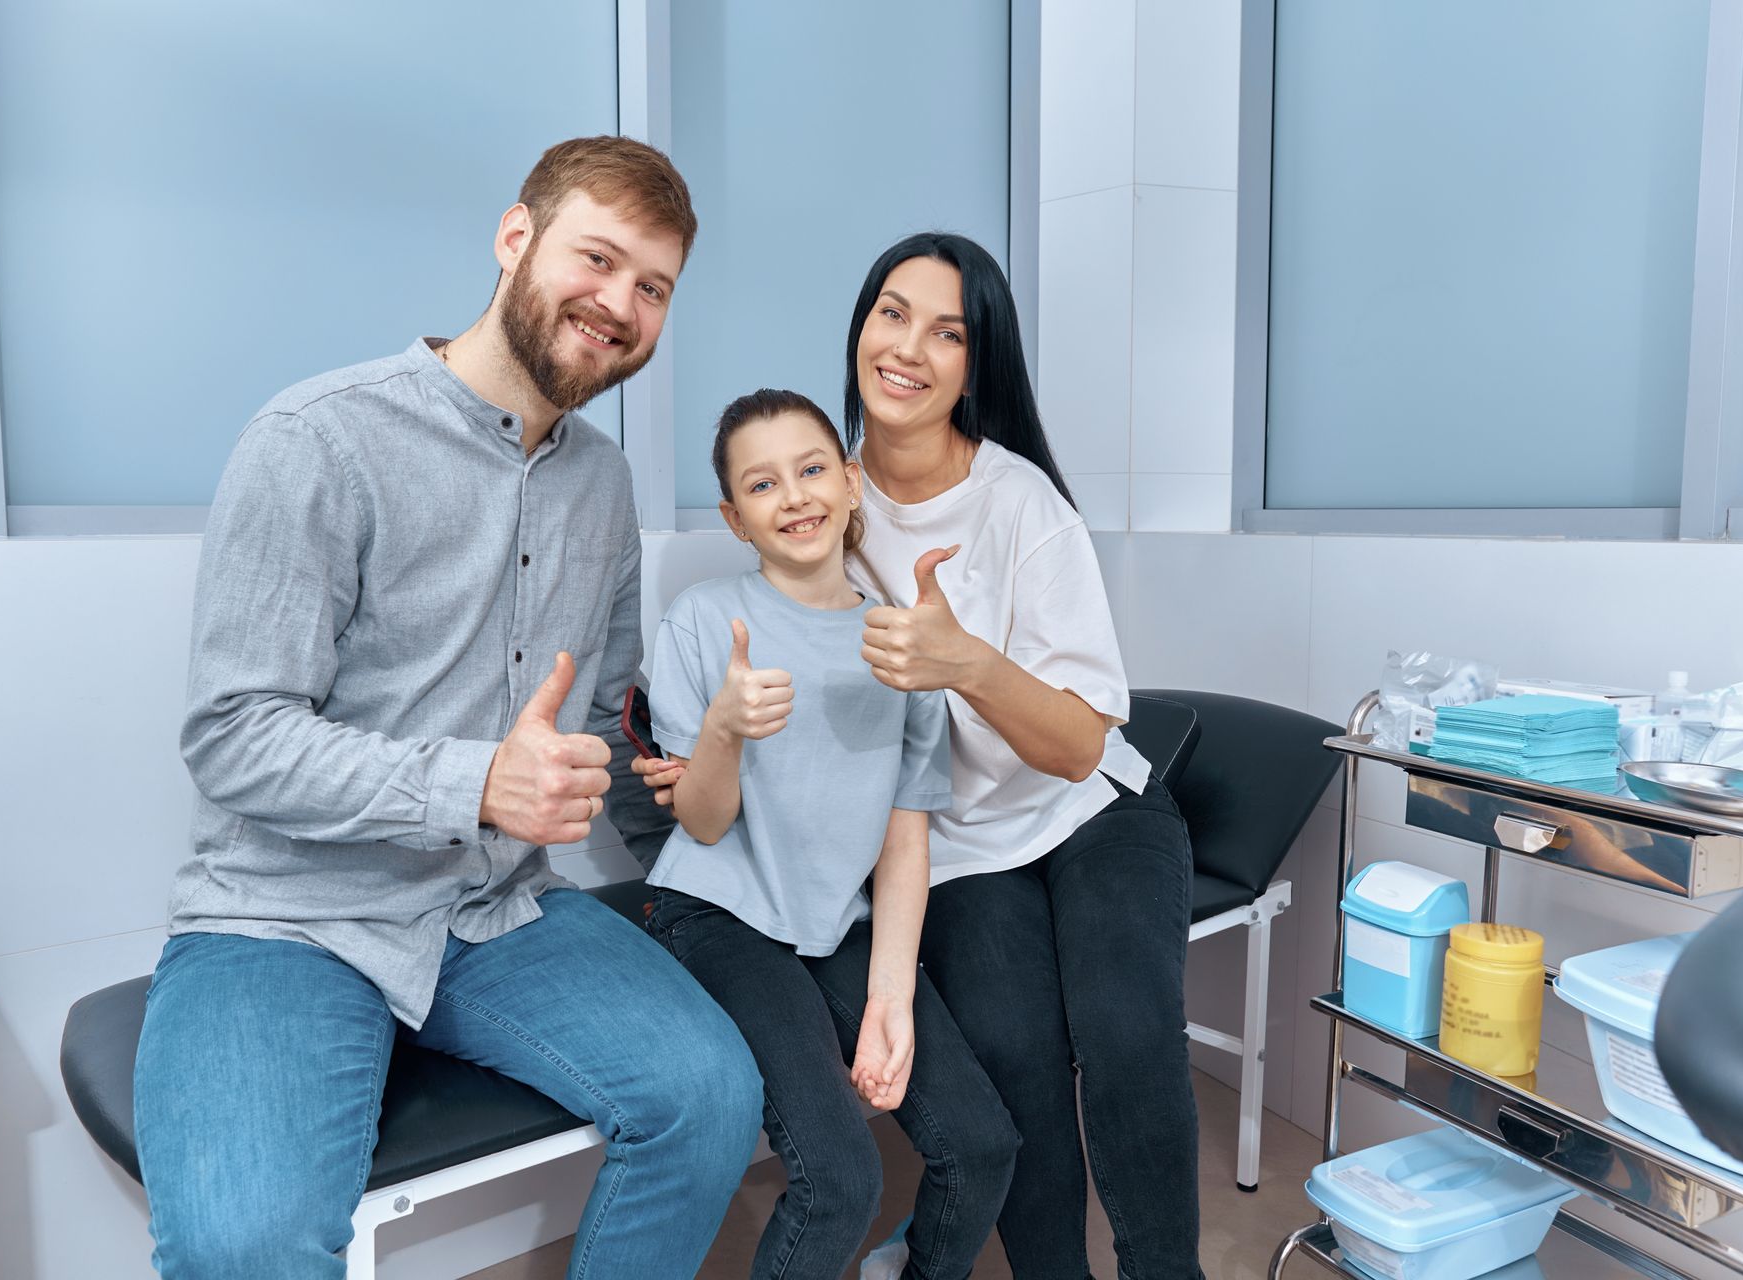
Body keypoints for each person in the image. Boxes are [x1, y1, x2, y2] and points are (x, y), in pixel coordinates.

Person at [133, 136, 763, 1280]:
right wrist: (474, 781)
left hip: (497, 910)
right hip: (290, 914)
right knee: (246, 1248)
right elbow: (231, 735)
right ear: (515, 237)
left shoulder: (604, 483)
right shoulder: (317, 440)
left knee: (711, 1095)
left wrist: (705, 841)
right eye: (599, 257)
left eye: (653, 286)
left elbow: (609, 739)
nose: (619, 303)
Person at [641, 231, 1201, 1279]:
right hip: (957, 843)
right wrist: (697, 751)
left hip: (1093, 813)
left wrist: (964, 662)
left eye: (948, 331)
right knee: (1018, 1064)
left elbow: (1084, 744)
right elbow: (780, 666)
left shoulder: (1021, 502)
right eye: (891, 312)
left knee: (1125, 1026)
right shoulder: (819, 496)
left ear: (975, 363)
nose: (909, 346)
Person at [639, 388, 1016, 1279]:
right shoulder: (703, 621)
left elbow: (904, 841)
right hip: (719, 917)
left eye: (812, 470)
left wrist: (890, 1001)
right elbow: (701, 818)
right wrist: (725, 728)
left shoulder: (903, 645)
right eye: (763, 485)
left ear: (851, 485)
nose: (796, 496)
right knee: (840, 1177)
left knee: (982, 1143)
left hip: (834, 925)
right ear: (736, 519)